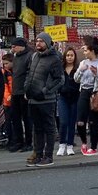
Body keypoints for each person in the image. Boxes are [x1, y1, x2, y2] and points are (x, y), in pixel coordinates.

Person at [23, 31, 64, 167]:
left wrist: (45, 91)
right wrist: (26, 89)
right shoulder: (34, 56)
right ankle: (38, 154)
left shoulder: (54, 59)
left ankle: (48, 155)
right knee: (37, 128)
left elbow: (59, 80)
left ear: (47, 43)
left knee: (49, 128)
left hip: (47, 100)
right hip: (32, 99)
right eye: (37, 41)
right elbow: (29, 74)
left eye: (41, 41)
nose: (38, 43)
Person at [75, 38, 98, 156]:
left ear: (92, 50)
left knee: (93, 121)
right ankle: (84, 142)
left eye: (85, 50)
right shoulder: (83, 63)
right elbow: (76, 79)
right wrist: (80, 71)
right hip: (84, 92)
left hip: (95, 93)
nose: (84, 52)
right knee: (80, 121)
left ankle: (94, 146)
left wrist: (96, 74)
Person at [8, 37, 32, 152]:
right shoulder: (16, 56)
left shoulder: (29, 56)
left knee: (27, 118)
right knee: (15, 117)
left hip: (24, 91)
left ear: (21, 46)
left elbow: (29, 74)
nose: (12, 49)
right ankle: (18, 141)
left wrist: (26, 89)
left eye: (14, 47)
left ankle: (28, 142)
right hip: (15, 91)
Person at [56, 46, 80, 156]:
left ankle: (70, 145)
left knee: (71, 123)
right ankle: (62, 144)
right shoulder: (60, 69)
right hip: (63, 97)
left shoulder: (78, 69)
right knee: (63, 121)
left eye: (71, 55)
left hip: (75, 97)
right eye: (68, 55)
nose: (69, 57)